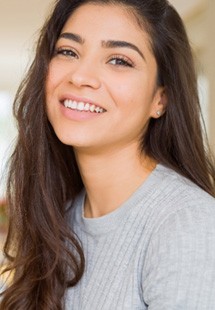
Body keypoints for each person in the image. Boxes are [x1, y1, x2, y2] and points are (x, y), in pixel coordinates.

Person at [1, 0, 215, 309]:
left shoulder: (187, 224)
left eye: (118, 60)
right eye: (68, 51)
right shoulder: (61, 217)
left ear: (160, 98)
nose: (80, 76)